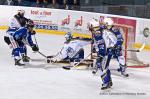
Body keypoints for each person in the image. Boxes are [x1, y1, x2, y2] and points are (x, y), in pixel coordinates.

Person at [89, 18, 117, 90]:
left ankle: (106, 83)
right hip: (108, 50)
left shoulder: (97, 33)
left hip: (105, 52)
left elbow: (102, 44)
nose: (90, 27)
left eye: (90, 26)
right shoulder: (100, 29)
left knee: (102, 67)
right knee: (105, 67)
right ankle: (109, 81)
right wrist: (95, 46)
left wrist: (101, 54)